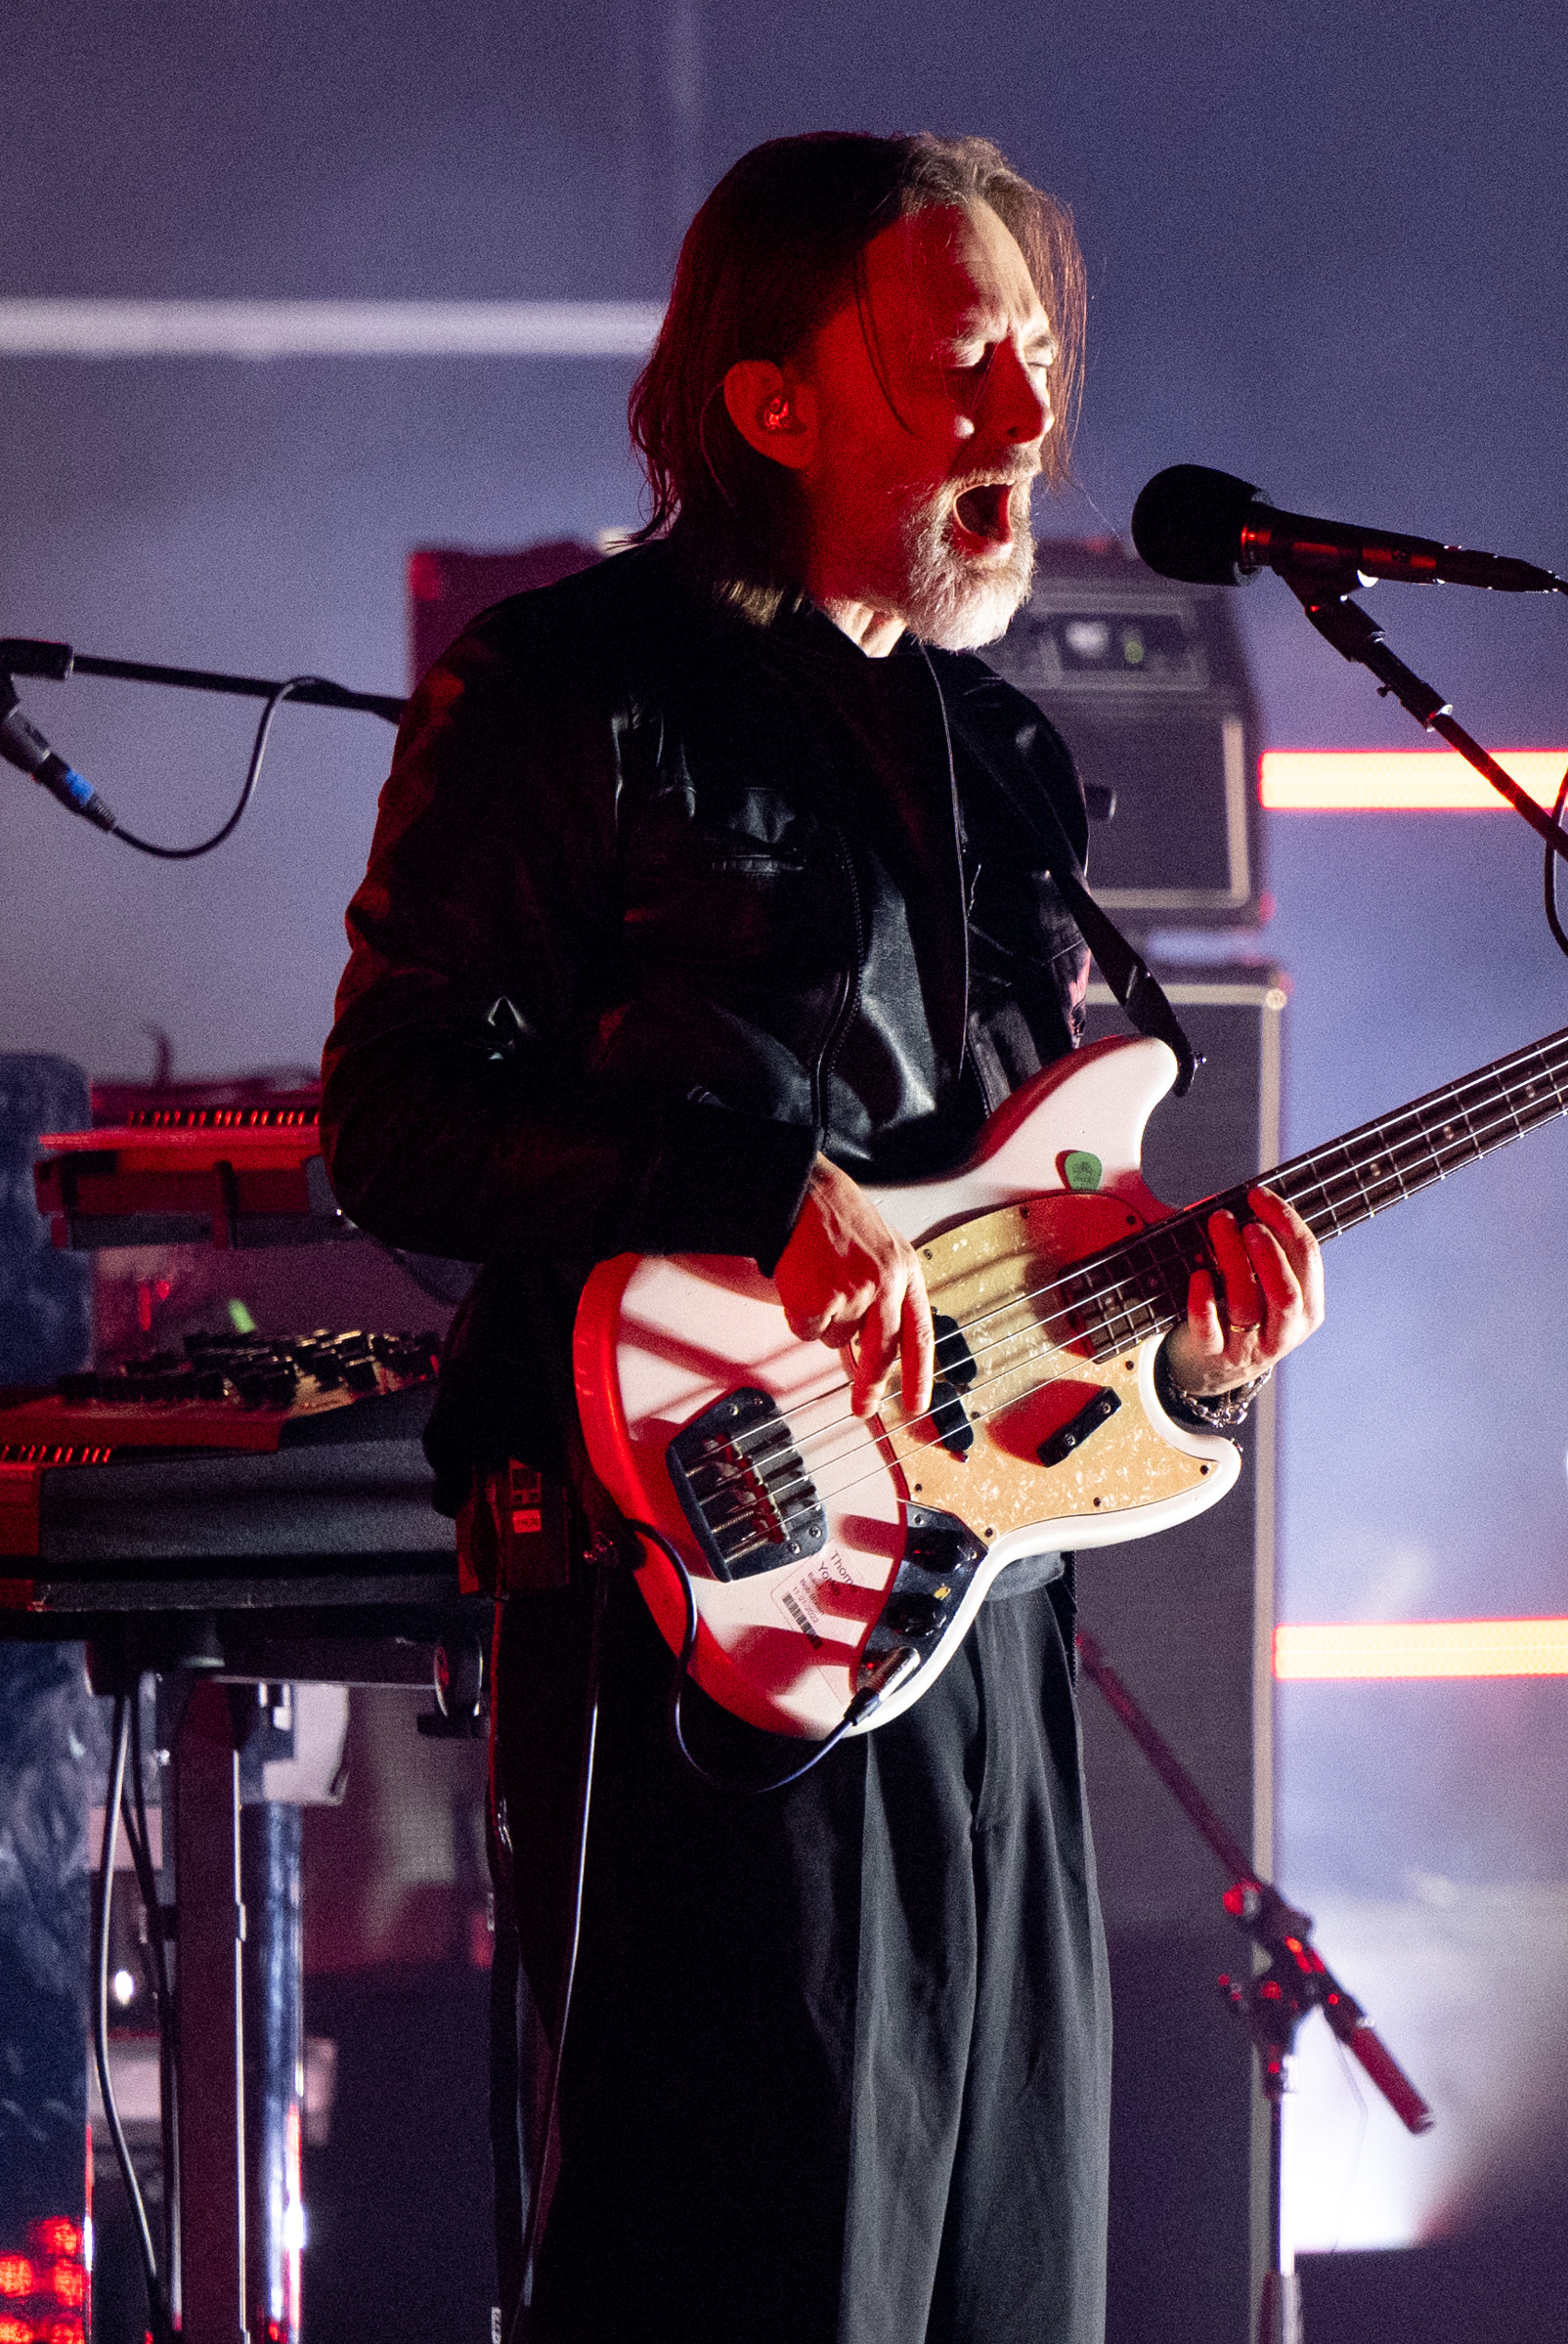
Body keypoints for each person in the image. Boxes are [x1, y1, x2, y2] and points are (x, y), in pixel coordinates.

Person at [322, 133, 1321, 2344]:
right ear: (774, 404)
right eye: (965, 361)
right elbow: (392, 1123)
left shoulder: (1006, 748)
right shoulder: (571, 687)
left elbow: (1019, 1219)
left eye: (1039, 357)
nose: (1029, 420)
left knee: (1013, 2279)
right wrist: (754, 1191)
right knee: (754, 2272)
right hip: (700, 1611)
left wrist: (1194, 1340)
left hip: (988, 1615)